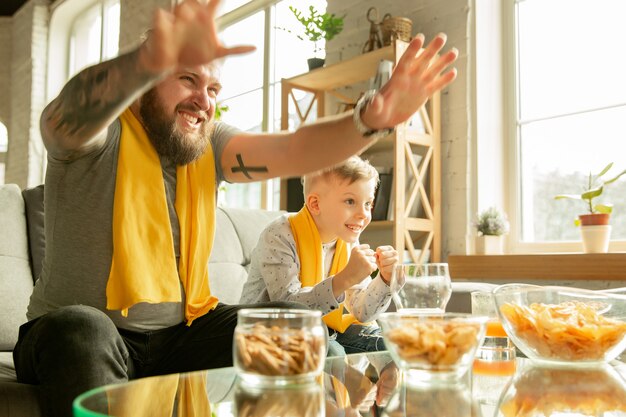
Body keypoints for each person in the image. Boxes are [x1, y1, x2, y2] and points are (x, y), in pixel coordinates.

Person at [12, 0, 458, 415]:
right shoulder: (98, 134)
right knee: (82, 331)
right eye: (187, 78)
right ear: (146, 78)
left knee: (295, 331)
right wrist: (144, 60)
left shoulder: (209, 143)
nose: (203, 100)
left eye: (213, 88)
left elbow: (294, 149)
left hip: (178, 336)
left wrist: (369, 121)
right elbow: (61, 117)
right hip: (71, 334)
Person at [240, 156, 398, 355]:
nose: (363, 214)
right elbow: (289, 305)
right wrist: (345, 279)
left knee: (389, 345)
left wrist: (385, 280)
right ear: (315, 204)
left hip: (325, 327)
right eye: (350, 201)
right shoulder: (279, 234)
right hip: (269, 330)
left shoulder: (347, 240)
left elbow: (362, 312)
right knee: (333, 352)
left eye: (368, 204)